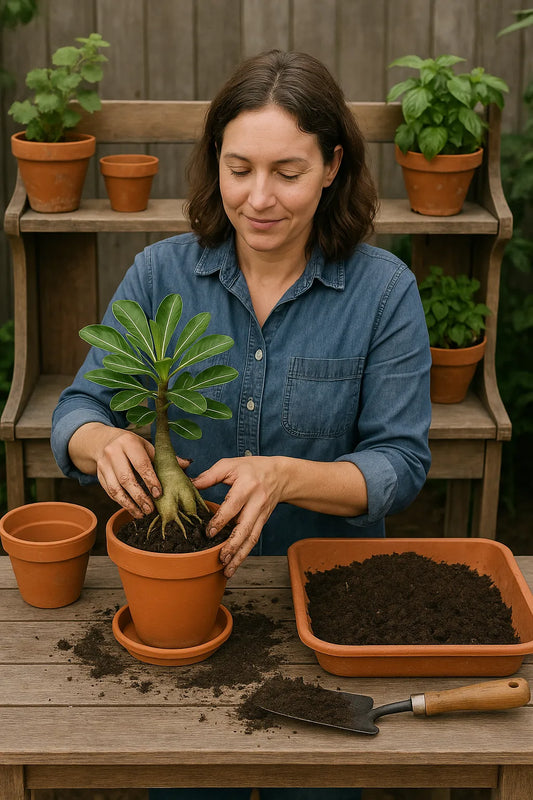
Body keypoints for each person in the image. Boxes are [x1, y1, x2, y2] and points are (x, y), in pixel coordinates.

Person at [51, 50, 432, 800]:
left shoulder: (383, 292)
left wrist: (283, 475)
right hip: (182, 608)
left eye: (287, 172)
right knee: (193, 785)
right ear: (214, 166)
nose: (259, 198)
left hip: (327, 608)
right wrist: (103, 442)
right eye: (238, 168)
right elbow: (78, 408)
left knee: (313, 792)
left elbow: (399, 463)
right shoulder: (162, 274)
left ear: (331, 166)